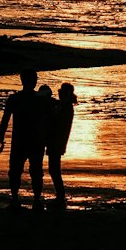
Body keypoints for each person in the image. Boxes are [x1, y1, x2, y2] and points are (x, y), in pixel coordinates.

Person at [0, 68, 46, 210]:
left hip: (20, 140)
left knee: (15, 171)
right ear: (33, 81)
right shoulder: (40, 99)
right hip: (35, 141)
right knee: (35, 171)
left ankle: (15, 199)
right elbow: (50, 118)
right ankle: (36, 200)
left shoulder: (14, 99)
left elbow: (5, 119)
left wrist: (1, 136)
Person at [38, 80, 77, 209]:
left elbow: (54, 114)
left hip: (57, 141)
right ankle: (60, 196)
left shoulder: (64, 106)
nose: (58, 94)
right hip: (58, 141)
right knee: (54, 169)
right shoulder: (66, 104)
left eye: (60, 92)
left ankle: (60, 196)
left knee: (54, 170)